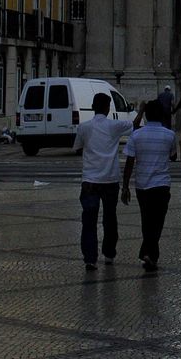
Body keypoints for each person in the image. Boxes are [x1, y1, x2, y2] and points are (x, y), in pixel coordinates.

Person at [74, 92, 138, 271]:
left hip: (89, 180)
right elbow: (134, 125)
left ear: (93, 107)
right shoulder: (114, 126)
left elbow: (78, 148)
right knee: (110, 218)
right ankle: (109, 253)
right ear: (108, 108)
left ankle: (90, 258)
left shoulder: (84, 127)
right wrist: (141, 111)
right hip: (110, 179)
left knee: (89, 220)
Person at [121, 99, 177, 272]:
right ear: (161, 115)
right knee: (158, 221)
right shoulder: (169, 135)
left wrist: (125, 187)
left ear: (146, 115)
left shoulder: (136, 135)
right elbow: (173, 156)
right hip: (161, 185)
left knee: (146, 220)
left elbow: (129, 162)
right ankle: (150, 254)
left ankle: (149, 253)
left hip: (142, 185)